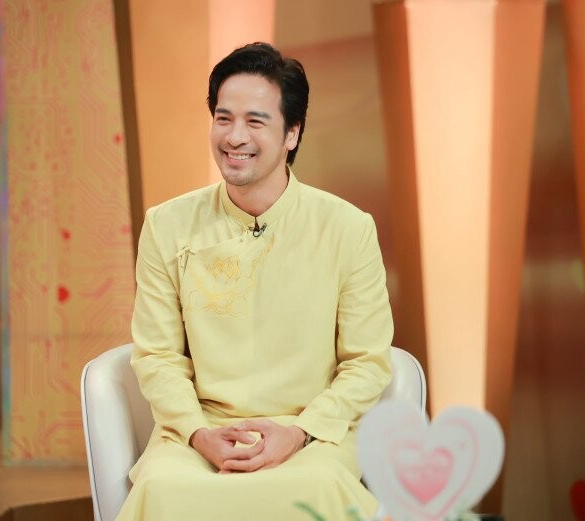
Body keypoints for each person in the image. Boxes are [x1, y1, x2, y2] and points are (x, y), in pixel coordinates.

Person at [118, 42, 394, 521]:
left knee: (317, 488)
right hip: (199, 432)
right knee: (162, 488)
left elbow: (367, 362)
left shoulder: (348, 229)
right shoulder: (166, 225)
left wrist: (300, 432)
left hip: (309, 436)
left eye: (255, 121)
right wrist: (198, 433)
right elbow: (157, 355)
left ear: (292, 133)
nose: (235, 136)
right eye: (223, 118)